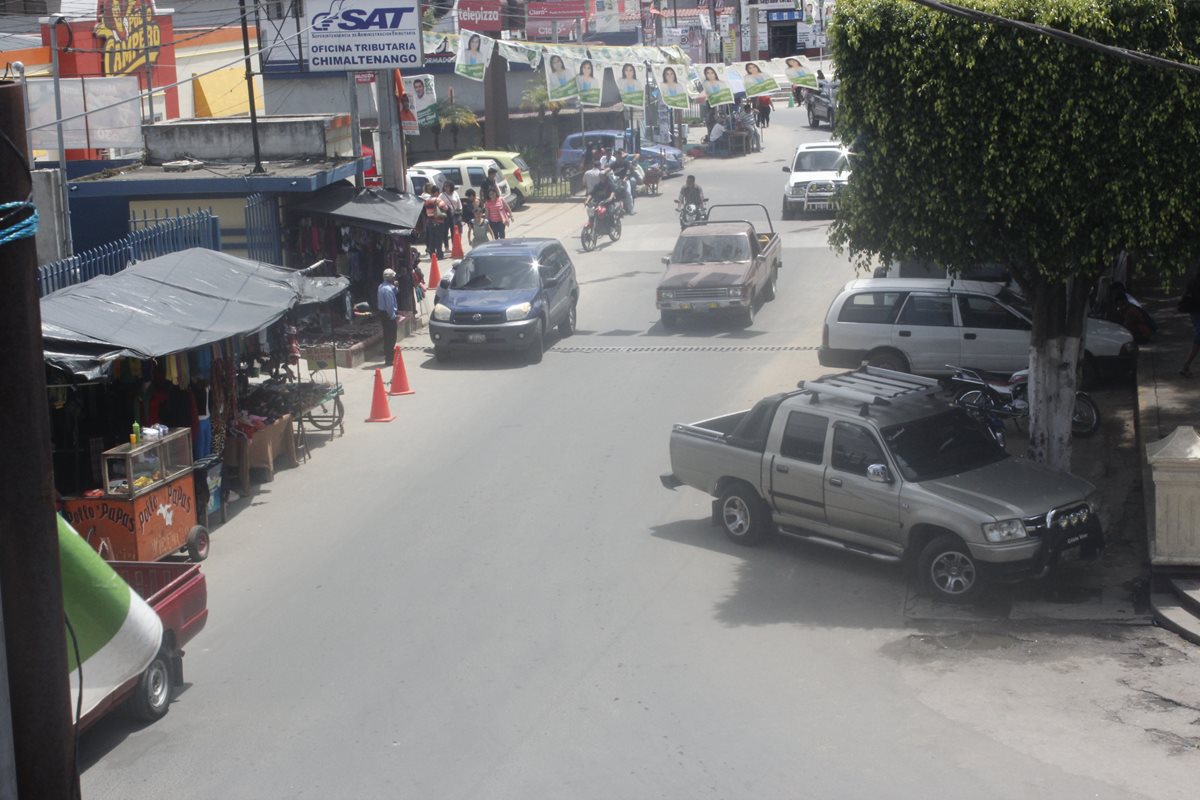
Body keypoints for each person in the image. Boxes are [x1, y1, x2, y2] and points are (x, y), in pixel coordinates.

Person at [1179, 275, 1200, 377]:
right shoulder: (1194, 282)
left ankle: (1186, 366)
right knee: (1198, 340)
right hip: (1197, 312)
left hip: (1194, 312)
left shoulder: (1193, 281)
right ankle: (1186, 366)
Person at [377, 268, 399, 360]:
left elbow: (395, 292)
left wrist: (395, 287)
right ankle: (390, 358)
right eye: (393, 277)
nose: (394, 278)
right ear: (391, 278)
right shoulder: (388, 290)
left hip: (383, 314)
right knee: (391, 336)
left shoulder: (381, 286)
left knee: (387, 335)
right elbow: (389, 306)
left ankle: (388, 356)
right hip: (388, 315)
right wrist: (393, 316)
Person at [422, 182, 447, 258]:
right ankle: (439, 254)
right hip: (438, 222)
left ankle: (432, 254)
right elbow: (445, 208)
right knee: (438, 238)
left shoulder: (427, 201)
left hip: (430, 221)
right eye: (438, 192)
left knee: (431, 238)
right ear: (436, 192)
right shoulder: (438, 200)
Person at [438, 181, 462, 253]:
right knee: (445, 231)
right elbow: (438, 203)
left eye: (447, 186)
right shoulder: (442, 195)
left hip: (454, 215)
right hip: (446, 215)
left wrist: (460, 211)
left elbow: (459, 203)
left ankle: (454, 245)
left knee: (454, 231)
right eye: (445, 186)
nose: (446, 188)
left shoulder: (455, 193)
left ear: (451, 187)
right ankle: (446, 247)